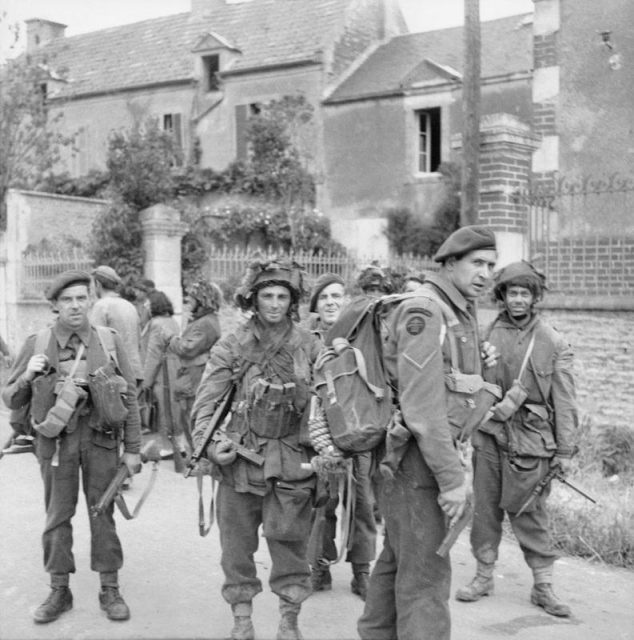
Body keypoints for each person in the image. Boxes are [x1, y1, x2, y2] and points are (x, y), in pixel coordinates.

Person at [357, 225, 499, 640]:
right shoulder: (427, 311)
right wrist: (452, 480)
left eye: (491, 265)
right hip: (418, 463)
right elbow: (422, 410)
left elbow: (455, 388)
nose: (485, 274)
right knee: (426, 578)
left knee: (400, 560)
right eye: (477, 263)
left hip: (423, 459)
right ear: (450, 263)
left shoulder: (458, 309)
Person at [2, 270, 142, 624]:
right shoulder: (37, 342)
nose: (76, 305)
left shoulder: (108, 341)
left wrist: (133, 449)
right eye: (67, 300)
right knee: (57, 517)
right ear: (54, 305)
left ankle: (109, 587)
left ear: (91, 300)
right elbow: (10, 396)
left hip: (101, 442)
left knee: (103, 513)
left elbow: (131, 398)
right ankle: (59, 589)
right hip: (56, 446)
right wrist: (28, 375)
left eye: (82, 297)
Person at [191, 259, 320, 640]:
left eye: (283, 296)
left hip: (293, 461)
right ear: (253, 298)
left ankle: (288, 620)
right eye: (267, 295)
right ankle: (242, 620)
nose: (275, 304)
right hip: (241, 460)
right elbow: (205, 404)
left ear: (293, 301)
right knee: (236, 549)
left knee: (292, 547)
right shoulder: (232, 345)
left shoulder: (311, 345)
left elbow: (332, 405)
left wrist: (328, 451)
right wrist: (213, 446)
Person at [455, 260, 578, 617]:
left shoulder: (552, 341)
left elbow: (565, 400)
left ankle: (543, 587)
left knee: (530, 514)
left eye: (525, 293)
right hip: (490, 434)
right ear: (503, 295)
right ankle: (483, 576)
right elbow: (468, 384)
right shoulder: (486, 333)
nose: (519, 299)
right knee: (485, 510)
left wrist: (565, 450)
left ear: (535, 297)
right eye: (512, 292)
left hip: (531, 441)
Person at [305, 273, 377, 600]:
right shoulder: (306, 339)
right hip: (321, 437)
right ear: (315, 305)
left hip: (357, 432)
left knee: (362, 503)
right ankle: (319, 567)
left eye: (337, 296)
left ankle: (362, 572)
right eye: (325, 297)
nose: (332, 302)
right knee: (321, 504)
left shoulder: (360, 335)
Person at [167, 278, 222, 448]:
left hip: (194, 377)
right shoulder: (204, 320)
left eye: (191, 297)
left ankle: (199, 460)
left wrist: (170, 338)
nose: (188, 300)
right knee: (190, 417)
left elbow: (187, 348)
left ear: (201, 300)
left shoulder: (206, 322)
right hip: (192, 375)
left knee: (193, 418)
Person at [141, 290, 183, 459]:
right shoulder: (172, 321)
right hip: (175, 368)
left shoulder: (156, 324)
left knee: (164, 409)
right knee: (174, 408)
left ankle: (167, 447)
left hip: (163, 372)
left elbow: (153, 355)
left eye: (147, 304)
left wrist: (145, 382)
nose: (145, 307)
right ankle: (178, 443)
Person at [90, 265, 144, 386]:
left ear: (97, 284)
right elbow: (139, 342)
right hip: (135, 371)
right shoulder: (129, 306)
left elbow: (95, 343)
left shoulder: (101, 306)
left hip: (115, 375)